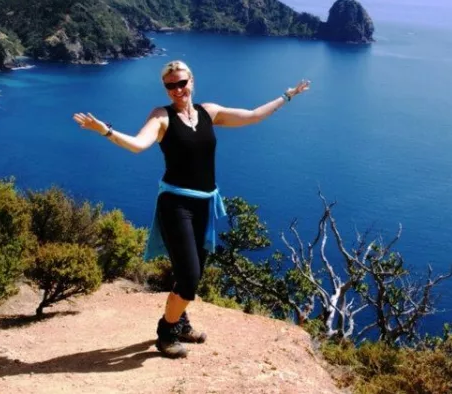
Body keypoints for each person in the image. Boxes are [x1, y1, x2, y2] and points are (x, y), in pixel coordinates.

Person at [72, 59, 310, 358]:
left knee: (192, 271)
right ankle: (165, 332)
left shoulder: (208, 112)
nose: (177, 90)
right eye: (170, 86)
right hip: (176, 204)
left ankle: (181, 321)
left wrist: (287, 96)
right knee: (189, 277)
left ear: (192, 81)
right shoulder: (161, 117)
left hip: (204, 205)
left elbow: (251, 116)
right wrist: (105, 130)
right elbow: (137, 145)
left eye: (182, 83)